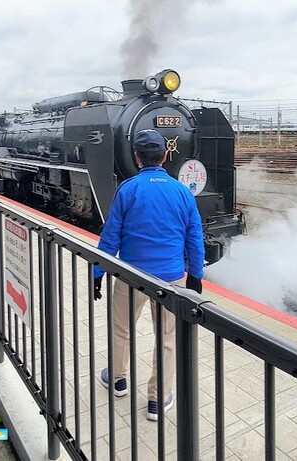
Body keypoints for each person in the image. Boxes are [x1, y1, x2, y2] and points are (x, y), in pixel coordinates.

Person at [93, 128, 205, 421]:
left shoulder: (128, 189)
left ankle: (117, 380)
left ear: (137, 157)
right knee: (167, 336)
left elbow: (111, 236)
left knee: (121, 328)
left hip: (131, 275)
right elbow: (194, 237)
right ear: (165, 157)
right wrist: (195, 276)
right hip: (171, 279)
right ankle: (158, 398)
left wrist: (97, 272)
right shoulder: (182, 191)